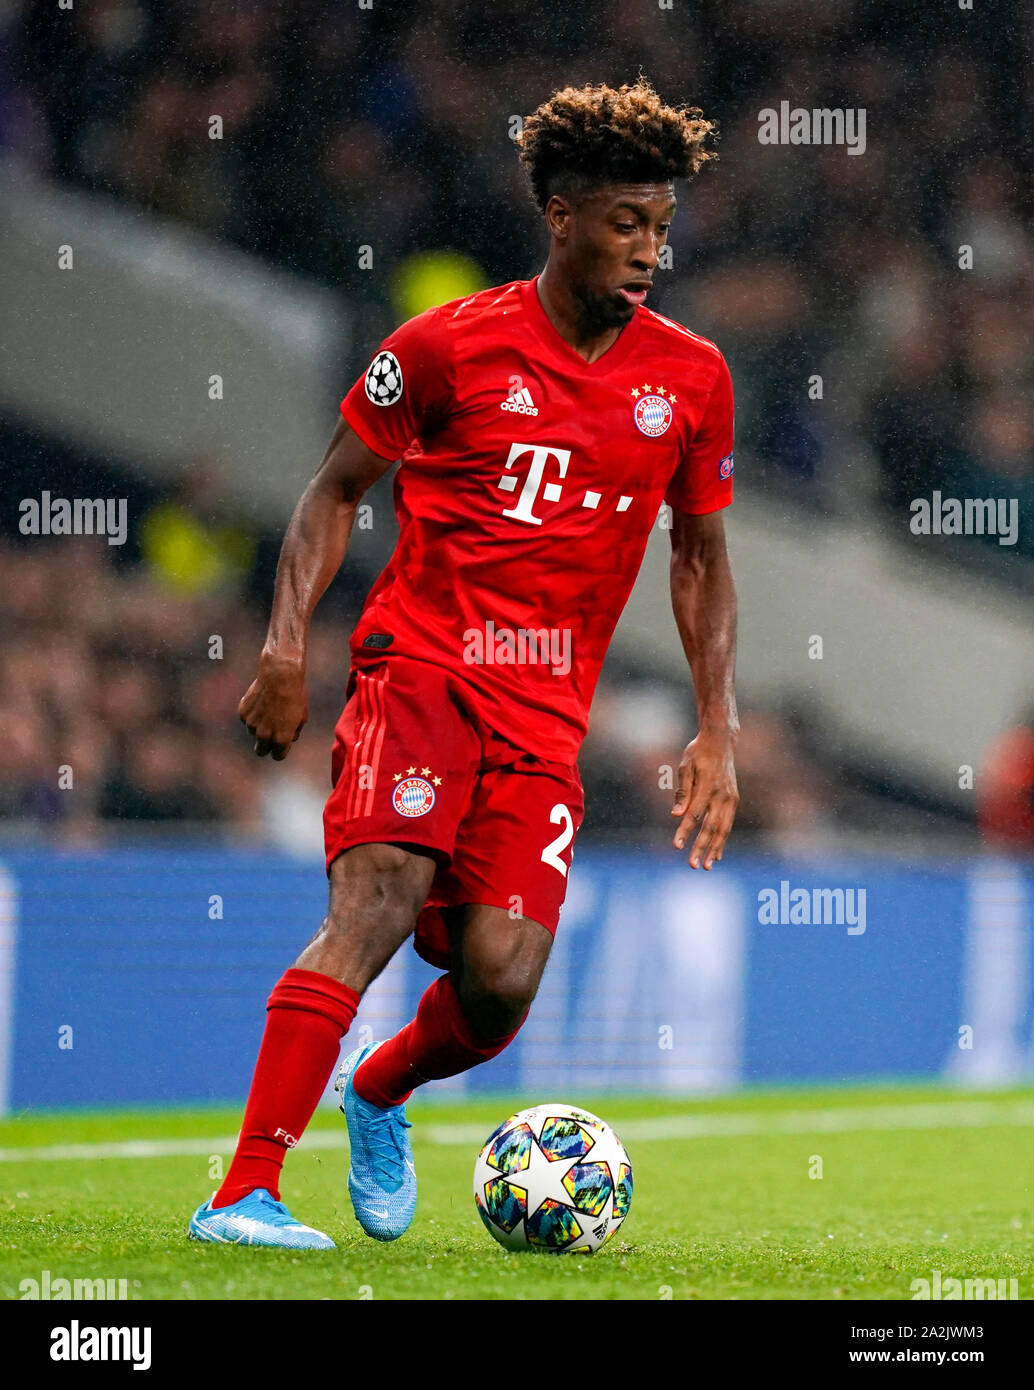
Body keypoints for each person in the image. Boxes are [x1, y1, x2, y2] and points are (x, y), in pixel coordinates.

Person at [189, 80, 741, 1250]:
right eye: (625, 222)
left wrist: (717, 728)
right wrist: (286, 646)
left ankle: (379, 1089)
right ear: (559, 215)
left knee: (499, 981)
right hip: (423, 666)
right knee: (376, 900)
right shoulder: (446, 345)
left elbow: (698, 556)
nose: (650, 248)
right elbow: (334, 489)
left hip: (545, 716)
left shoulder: (689, 379)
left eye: (659, 224)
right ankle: (244, 1188)